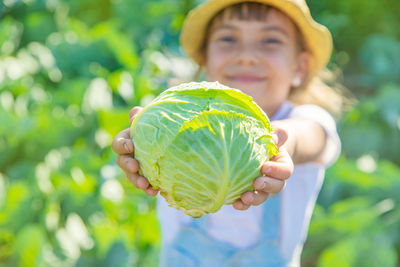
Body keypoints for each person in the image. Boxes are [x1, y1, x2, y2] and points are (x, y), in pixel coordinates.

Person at [112, 0, 346, 266]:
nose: (246, 55)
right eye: (228, 39)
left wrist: (284, 144)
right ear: (204, 59)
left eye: (270, 41)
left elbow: (315, 137)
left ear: (299, 67)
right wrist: (136, 144)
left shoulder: (304, 120)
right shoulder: (174, 117)